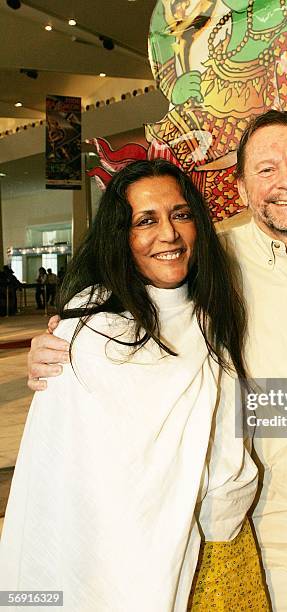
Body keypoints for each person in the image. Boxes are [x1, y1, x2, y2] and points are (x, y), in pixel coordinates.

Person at [28, 111, 287, 611]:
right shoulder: (206, 268)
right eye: (266, 170)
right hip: (263, 548)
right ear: (242, 187)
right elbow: (130, 316)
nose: (285, 183)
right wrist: (63, 343)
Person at [1, 159, 267, 611]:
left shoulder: (214, 311)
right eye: (146, 220)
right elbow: (56, 480)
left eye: (180, 215)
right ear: (120, 237)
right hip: (116, 562)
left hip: (223, 549)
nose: (169, 234)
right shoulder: (89, 333)